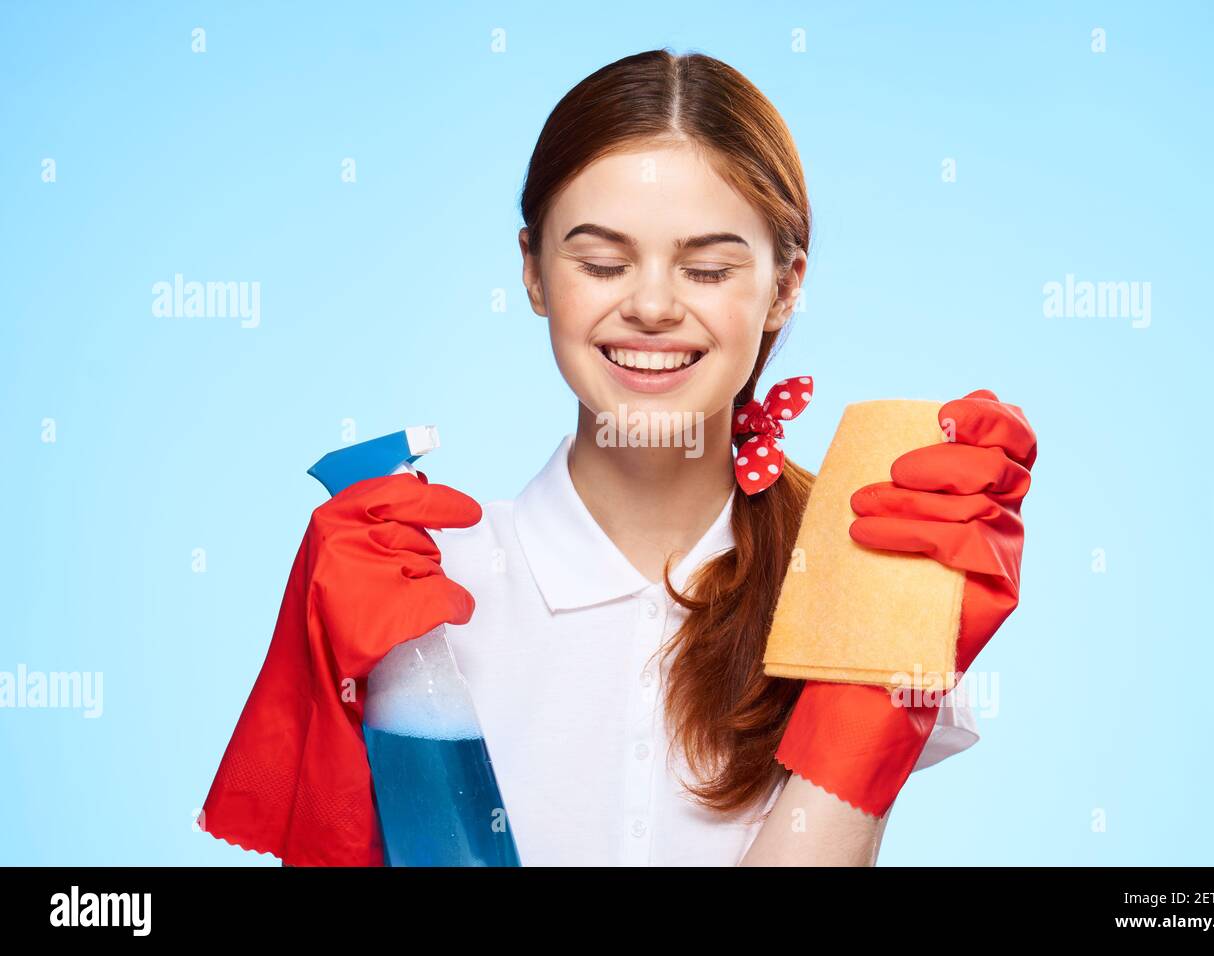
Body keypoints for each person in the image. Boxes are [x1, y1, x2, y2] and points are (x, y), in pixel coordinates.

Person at [208, 48, 1035, 867]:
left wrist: (882, 675)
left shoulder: (850, 581)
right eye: (602, 262)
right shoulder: (417, 593)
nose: (649, 306)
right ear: (530, 271)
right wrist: (336, 681)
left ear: (786, 286)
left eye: (707, 267)